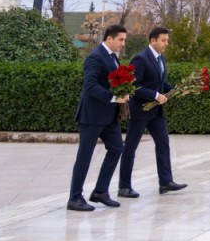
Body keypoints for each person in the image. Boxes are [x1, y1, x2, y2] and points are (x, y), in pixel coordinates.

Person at [117, 26, 187, 197]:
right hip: (140, 111)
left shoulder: (160, 58)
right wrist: (155, 95)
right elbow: (133, 86)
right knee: (130, 148)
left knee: (163, 143)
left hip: (156, 112)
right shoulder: (140, 59)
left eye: (167, 40)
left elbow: (159, 84)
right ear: (153, 40)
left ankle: (165, 182)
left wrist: (177, 90)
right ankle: (124, 187)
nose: (166, 44)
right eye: (163, 40)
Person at [68, 23, 129, 212]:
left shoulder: (112, 57)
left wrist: (124, 91)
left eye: (124, 40)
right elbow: (90, 86)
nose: (123, 44)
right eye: (120, 40)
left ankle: (100, 191)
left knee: (117, 148)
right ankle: (75, 198)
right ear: (109, 39)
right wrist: (113, 97)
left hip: (109, 116)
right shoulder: (95, 57)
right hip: (92, 116)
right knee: (84, 157)